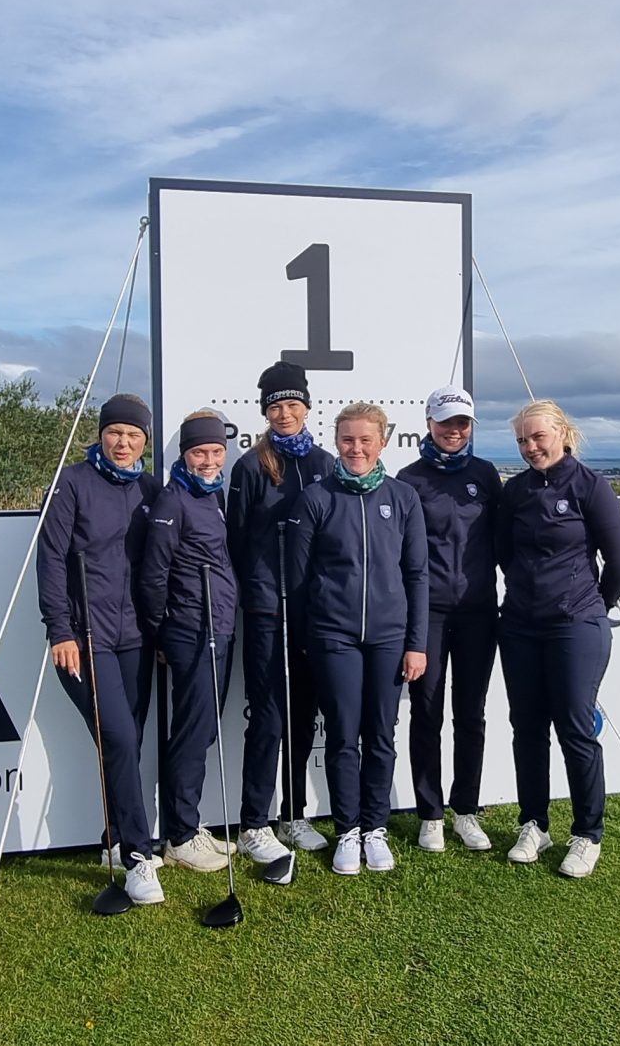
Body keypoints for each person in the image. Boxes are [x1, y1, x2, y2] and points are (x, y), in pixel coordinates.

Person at [284, 402, 429, 875]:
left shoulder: (403, 498)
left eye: (366, 440)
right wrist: (307, 638)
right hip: (334, 636)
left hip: (389, 637)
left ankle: (375, 827)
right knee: (344, 735)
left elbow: (417, 574)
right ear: (336, 441)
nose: (356, 448)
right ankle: (348, 829)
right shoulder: (316, 498)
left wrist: (416, 642)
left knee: (381, 735)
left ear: (382, 442)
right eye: (347, 439)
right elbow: (298, 579)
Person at [495, 398, 620, 879]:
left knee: (575, 730)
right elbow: (504, 553)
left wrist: (591, 605)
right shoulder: (515, 491)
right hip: (519, 625)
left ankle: (587, 833)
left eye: (538, 436)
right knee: (527, 729)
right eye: (522, 440)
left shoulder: (591, 487)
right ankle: (534, 824)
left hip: (576, 625)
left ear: (563, 434)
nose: (530, 447)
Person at [38, 394, 164, 904]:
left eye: (133, 435)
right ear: (101, 434)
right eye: (115, 432)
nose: (123, 443)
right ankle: (138, 856)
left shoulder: (150, 488)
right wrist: (59, 630)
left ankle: (113, 838)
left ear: (145, 442)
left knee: (127, 740)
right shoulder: (72, 482)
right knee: (118, 737)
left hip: (136, 636)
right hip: (84, 635)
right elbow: (50, 558)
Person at [226, 361, 337, 865]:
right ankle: (255, 823)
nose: (285, 413)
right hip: (268, 610)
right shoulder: (252, 467)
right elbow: (235, 540)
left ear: (307, 408)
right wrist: (256, 591)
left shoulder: (325, 463)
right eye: (276, 406)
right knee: (268, 716)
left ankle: (293, 814)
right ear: (265, 412)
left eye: (293, 404)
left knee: (303, 714)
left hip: (313, 612)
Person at [393, 385, 505, 853]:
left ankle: (466, 810)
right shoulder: (409, 479)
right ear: (429, 423)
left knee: (471, 714)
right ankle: (430, 814)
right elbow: (401, 554)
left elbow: (502, 539)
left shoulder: (486, 474)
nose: (454, 431)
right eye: (445, 422)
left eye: (462, 423)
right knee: (426, 712)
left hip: (479, 612)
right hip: (430, 613)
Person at [136, 409, 239, 873]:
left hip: (220, 624)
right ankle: (179, 836)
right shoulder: (172, 501)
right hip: (191, 629)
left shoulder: (213, 494)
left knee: (204, 728)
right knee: (192, 730)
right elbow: (153, 576)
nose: (210, 460)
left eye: (217, 451)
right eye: (200, 452)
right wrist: (161, 630)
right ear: (184, 454)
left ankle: (190, 823)